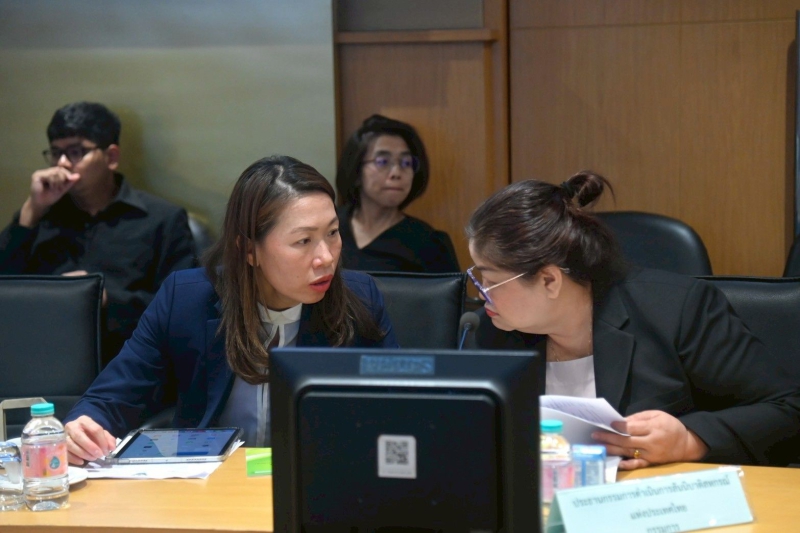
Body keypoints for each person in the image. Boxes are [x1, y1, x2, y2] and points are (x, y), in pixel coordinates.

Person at [62, 155, 398, 465]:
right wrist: (83, 427)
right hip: (210, 486)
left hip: (316, 480)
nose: (326, 257)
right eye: (303, 241)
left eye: (333, 233)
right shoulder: (187, 300)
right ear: (249, 250)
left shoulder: (359, 299)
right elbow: (114, 395)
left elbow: (395, 407)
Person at [465, 171, 800, 469]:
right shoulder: (490, 331)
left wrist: (690, 440)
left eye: (491, 281)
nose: (481, 294)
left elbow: (788, 411)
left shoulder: (675, 310)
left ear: (549, 280)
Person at [0, 102, 195, 365]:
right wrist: (32, 208)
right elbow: (5, 288)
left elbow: (183, 308)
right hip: (43, 356)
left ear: (111, 157)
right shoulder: (42, 217)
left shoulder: (162, 219)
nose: (62, 163)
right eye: (56, 153)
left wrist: (103, 298)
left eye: (76, 152)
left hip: (131, 361)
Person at [336, 114, 460, 273]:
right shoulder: (329, 227)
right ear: (357, 172)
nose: (396, 173)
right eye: (383, 162)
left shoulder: (429, 243)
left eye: (406, 163)